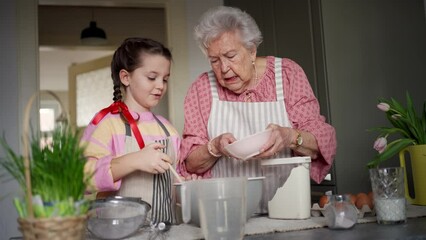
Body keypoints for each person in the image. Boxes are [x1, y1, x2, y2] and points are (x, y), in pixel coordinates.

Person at [177, 6, 337, 212]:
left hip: (289, 208)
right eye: (215, 61)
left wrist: (289, 137)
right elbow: (190, 164)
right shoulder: (202, 88)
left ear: (252, 50)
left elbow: (322, 141)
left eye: (231, 55)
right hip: (227, 211)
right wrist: (214, 147)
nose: (223, 68)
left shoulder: (287, 75)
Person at [81, 38, 180, 225]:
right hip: (117, 234)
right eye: (152, 77)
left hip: (165, 232)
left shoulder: (169, 130)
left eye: (165, 79)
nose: (160, 85)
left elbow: (176, 181)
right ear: (126, 77)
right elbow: (82, 178)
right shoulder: (106, 125)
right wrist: (135, 160)